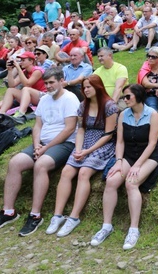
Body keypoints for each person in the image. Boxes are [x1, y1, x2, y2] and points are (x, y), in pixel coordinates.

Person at [0, 68, 78, 236]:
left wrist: (45, 149)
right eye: (46, 83)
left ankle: (35, 215)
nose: (48, 86)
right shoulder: (44, 100)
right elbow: (37, 126)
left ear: (61, 81)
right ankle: (8, 212)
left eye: (52, 82)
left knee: (41, 165)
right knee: (15, 163)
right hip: (41, 143)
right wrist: (37, 145)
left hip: (64, 144)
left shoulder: (70, 99)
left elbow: (69, 129)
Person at [90, 84, 158, 250]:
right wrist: (119, 161)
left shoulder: (152, 114)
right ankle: (106, 226)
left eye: (128, 96)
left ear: (138, 96)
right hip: (129, 154)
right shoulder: (123, 115)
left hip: (149, 155)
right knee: (111, 181)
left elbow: (152, 143)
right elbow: (120, 141)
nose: (125, 100)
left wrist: (137, 166)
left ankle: (133, 229)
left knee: (131, 183)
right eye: (124, 97)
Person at [46, 75, 118, 237]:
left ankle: (74, 216)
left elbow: (108, 134)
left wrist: (87, 151)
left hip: (103, 143)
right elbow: (81, 130)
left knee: (84, 172)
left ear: (97, 87)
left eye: (89, 87)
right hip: (84, 141)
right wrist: (79, 149)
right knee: (66, 172)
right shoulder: (82, 105)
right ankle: (57, 215)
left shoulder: (110, 106)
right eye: (84, 87)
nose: (85, 90)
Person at [0, 51, 46, 117]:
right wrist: (9, 71)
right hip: (32, 97)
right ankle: (1, 112)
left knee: (26, 89)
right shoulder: (25, 72)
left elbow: (27, 84)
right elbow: (12, 85)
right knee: (10, 90)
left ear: (31, 61)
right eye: (20, 60)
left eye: (23, 60)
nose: (21, 62)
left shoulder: (37, 71)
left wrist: (18, 69)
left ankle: (21, 112)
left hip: (44, 97)